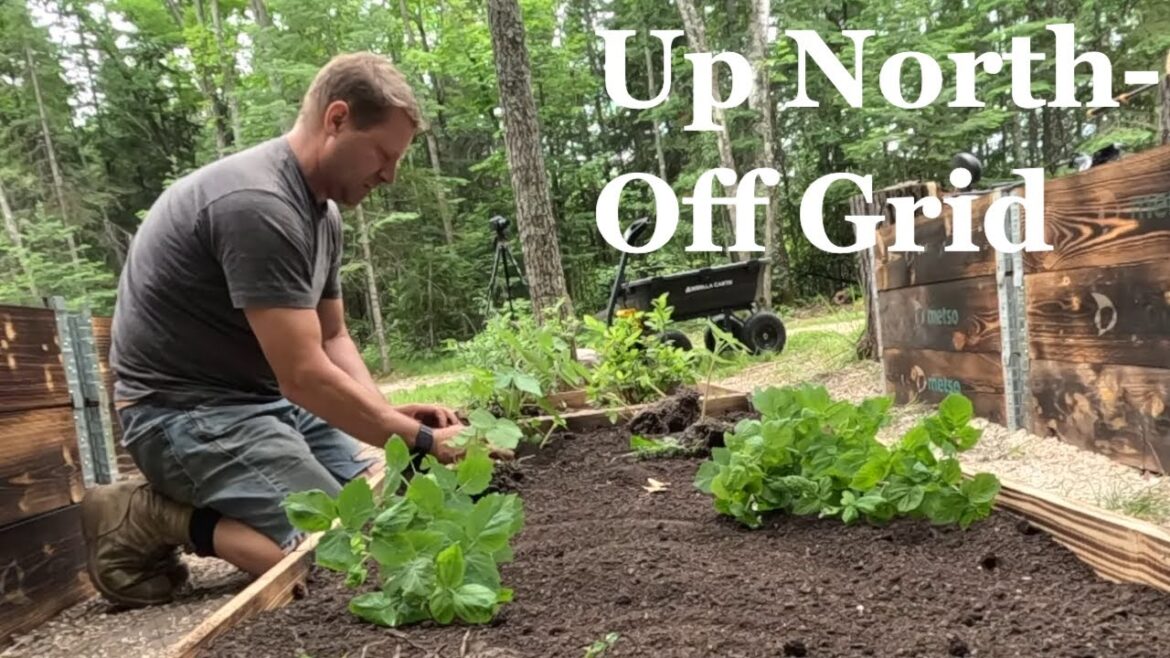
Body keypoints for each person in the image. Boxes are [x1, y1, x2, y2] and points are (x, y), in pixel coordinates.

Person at [80, 52, 487, 609]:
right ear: (337, 119)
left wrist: (388, 416)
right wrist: (416, 439)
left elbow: (332, 337)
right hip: (182, 415)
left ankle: (240, 502)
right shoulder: (259, 204)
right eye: (383, 155)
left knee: (395, 507)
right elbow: (301, 374)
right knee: (345, 556)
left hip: (264, 403)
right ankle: (153, 513)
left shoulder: (323, 213)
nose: (390, 175)